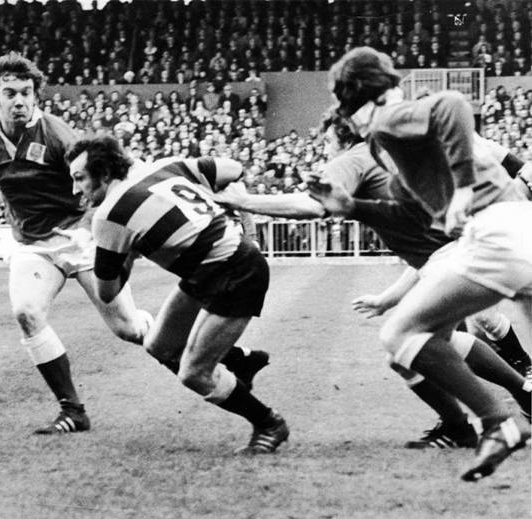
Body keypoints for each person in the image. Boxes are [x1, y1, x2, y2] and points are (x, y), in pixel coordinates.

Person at [0, 52, 266, 435]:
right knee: (26, 312)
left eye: (26, 92)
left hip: (81, 237)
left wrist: (104, 217)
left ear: (36, 95)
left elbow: (108, 173)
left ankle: (229, 358)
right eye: (10, 93)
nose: (19, 101)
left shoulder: (58, 135)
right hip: (32, 244)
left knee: (129, 329)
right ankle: (72, 409)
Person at [214, 108, 532, 451]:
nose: (325, 147)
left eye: (327, 140)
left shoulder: (353, 158)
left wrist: (246, 200)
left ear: (339, 135)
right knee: (433, 342)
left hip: (461, 253)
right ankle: (503, 403)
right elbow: (429, 251)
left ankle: (477, 422)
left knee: (407, 347)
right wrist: (388, 298)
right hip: (464, 250)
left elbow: (311, 206)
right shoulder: (389, 153)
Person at [328, 46, 531, 481]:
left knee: (401, 334)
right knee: (429, 332)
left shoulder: (387, 117)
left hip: (496, 232)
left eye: (346, 110)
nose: (349, 122)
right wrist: (353, 207)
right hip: (515, 227)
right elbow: (411, 213)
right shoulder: (393, 145)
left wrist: (462, 189)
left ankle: (499, 423)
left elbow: (454, 104)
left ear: (360, 100)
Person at [66, 135, 289, 454]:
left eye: (79, 178)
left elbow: (107, 291)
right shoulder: (165, 166)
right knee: (158, 344)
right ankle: (241, 361)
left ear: (103, 174)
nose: (75, 190)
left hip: (234, 273)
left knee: (194, 374)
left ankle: (268, 423)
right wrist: (248, 229)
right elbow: (233, 168)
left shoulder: (109, 216)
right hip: (219, 266)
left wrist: (112, 252)